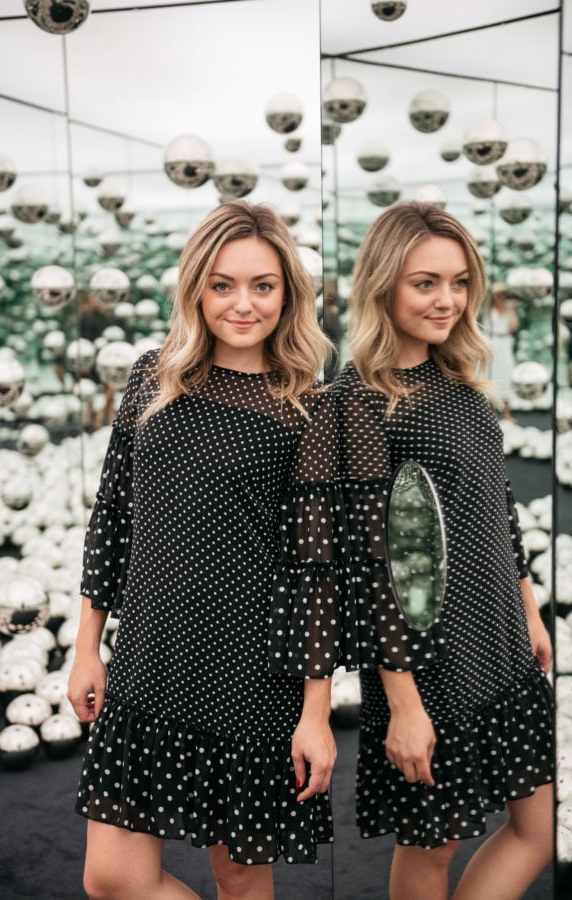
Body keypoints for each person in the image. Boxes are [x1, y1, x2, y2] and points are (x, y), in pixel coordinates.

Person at [67, 200, 345, 900]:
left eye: (262, 285)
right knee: (111, 878)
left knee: (239, 876)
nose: (242, 304)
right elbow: (114, 516)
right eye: (223, 284)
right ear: (196, 287)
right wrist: (86, 643)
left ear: (288, 294)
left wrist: (315, 712)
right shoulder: (149, 377)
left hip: (252, 674)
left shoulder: (307, 408)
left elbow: (318, 572)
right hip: (150, 659)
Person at [332, 202, 554, 900]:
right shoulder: (359, 401)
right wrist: (402, 702)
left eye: (460, 282)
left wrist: (529, 608)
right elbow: (364, 567)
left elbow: (498, 506)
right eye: (426, 282)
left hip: (500, 639)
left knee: (537, 831)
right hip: (427, 660)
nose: (449, 300)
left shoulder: (461, 385)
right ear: (383, 285)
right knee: (434, 846)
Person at [484, 282, 519, 423]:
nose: (501, 298)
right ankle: (491, 413)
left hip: (504, 344)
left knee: (506, 376)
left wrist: (511, 311)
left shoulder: (508, 310)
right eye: (499, 295)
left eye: (504, 295)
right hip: (492, 343)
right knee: (491, 376)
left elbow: (513, 327)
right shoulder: (487, 309)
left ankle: (506, 413)